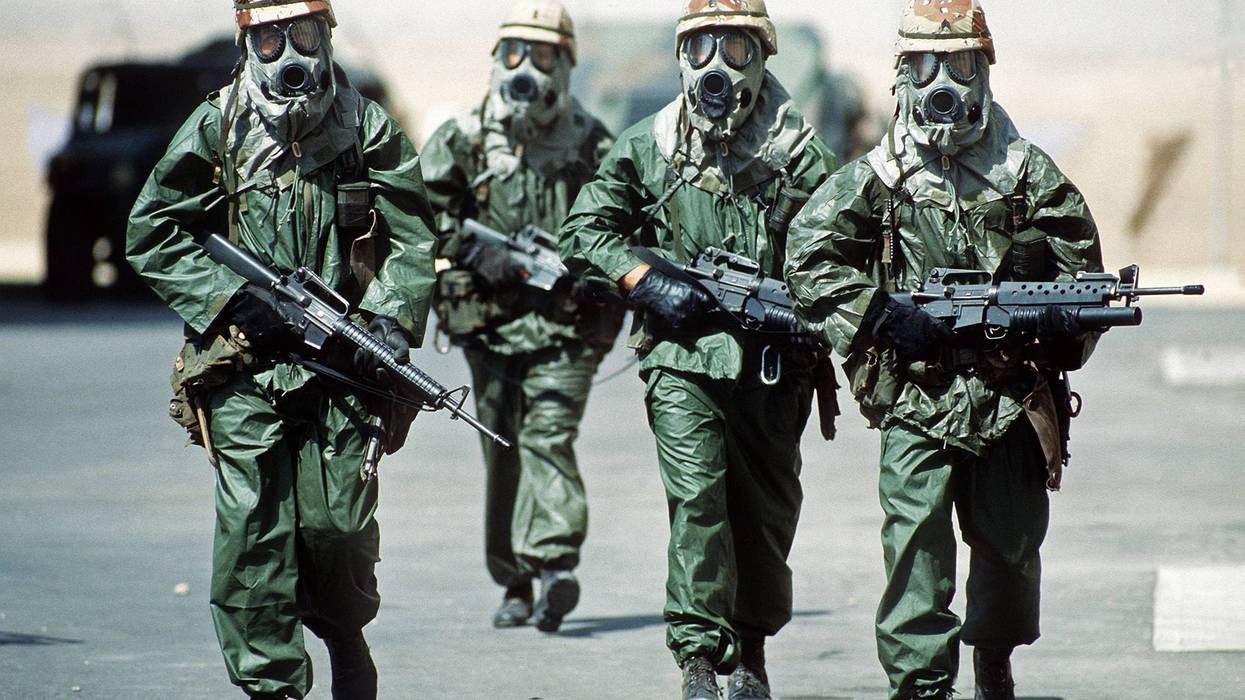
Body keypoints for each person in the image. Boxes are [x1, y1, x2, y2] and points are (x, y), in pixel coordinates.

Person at [784, 2, 1104, 699]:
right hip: (915, 396)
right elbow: (808, 257)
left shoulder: (1023, 170)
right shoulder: (880, 176)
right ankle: (920, 684)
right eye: (924, 65)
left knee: (1010, 548)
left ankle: (993, 656)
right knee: (914, 549)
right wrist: (876, 313)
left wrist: (1041, 276)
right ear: (900, 75)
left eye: (958, 65)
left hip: (1008, 393)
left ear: (983, 72)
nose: (942, 83)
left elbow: (1084, 271)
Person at [126, 1, 437, 697]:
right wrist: (230, 301)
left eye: (301, 34)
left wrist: (387, 319)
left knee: (339, 528)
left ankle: (344, 630)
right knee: (254, 532)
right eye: (270, 38)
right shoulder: (218, 125)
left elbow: (414, 238)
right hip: (244, 361)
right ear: (248, 43)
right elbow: (154, 231)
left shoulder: (366, 125)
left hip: (341, 362)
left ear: (326, 36)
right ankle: (273, 684)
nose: (288, 53)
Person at [560, 1, 838, 697]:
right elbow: (584, 230)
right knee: (698, 501)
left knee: (765, 514)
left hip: (776, 368)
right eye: (702, 47)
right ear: (682, 57)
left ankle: (750, 649)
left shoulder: (802, 158)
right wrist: (642, 279)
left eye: (737, 50)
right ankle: (696, 658)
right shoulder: (647, 146)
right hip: (682, 358)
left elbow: (849, 252)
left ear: (763, 59)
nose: (717, 67)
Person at [419, 0, 623, 634]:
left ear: (564, 64)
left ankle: (555, 564)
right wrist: (479, 253)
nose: (523, 69)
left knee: (548, 435)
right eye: (512, 53)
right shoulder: (463, 137)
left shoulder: (593, 142)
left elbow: (625, 220)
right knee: (501, 451)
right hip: (489, 325)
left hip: (565, 328)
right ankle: (513, 580)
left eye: (540, 56)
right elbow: (419, 215)